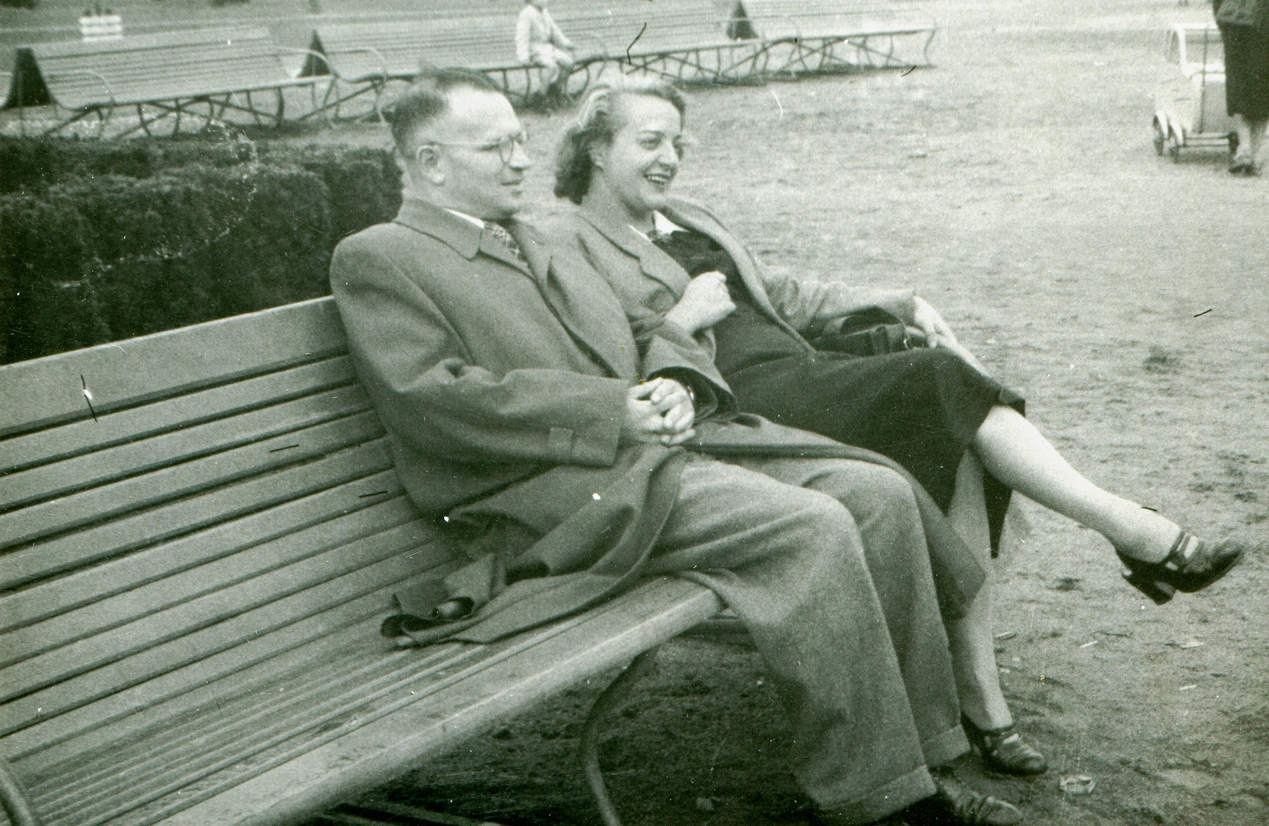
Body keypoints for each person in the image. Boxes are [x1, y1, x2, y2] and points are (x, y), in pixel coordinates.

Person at [331, 67, 1026, 826]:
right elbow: (431, 399)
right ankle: (881, 803)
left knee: (877, 495)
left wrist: (673, 382)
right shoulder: (381, 256)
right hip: (546, 496)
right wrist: (609, 413)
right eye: (495, 148)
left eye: (520, 143)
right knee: (812, 526)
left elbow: (644, 329)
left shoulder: (534, 237)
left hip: (640, 460)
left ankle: (926, 756)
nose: (521, 161)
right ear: (430, 162)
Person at [547, 76, 1247, 776]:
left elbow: (780, 293)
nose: (668, 156)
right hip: (736, 402)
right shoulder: (567, 243)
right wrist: (680, 321)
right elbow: (591, 365)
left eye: (676, 141)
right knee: (941, 382)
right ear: (596, 150)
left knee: (960, 436)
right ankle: (1136, 533)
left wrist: (900, 300)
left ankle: (982, 699)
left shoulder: (685, 218)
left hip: (801, 370)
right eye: (649, 142)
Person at [1214, 0, 1269, 173]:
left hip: (1233, 28)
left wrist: (1223, 24)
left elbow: (1217, 4)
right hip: (1262, 31)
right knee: (1262, 96)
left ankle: (1244, 151)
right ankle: (1254, 155)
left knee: (1240, 92)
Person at [515, 0, 575, 107]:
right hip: (534, 50)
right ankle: (541, 97)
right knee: (551, 66)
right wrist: (523, 55)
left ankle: (555, 90)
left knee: (568, 63)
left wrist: (565, 42)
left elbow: (555, 31)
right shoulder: (527, 14)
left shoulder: (544, 12)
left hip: (547, 48)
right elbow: (522, 36)